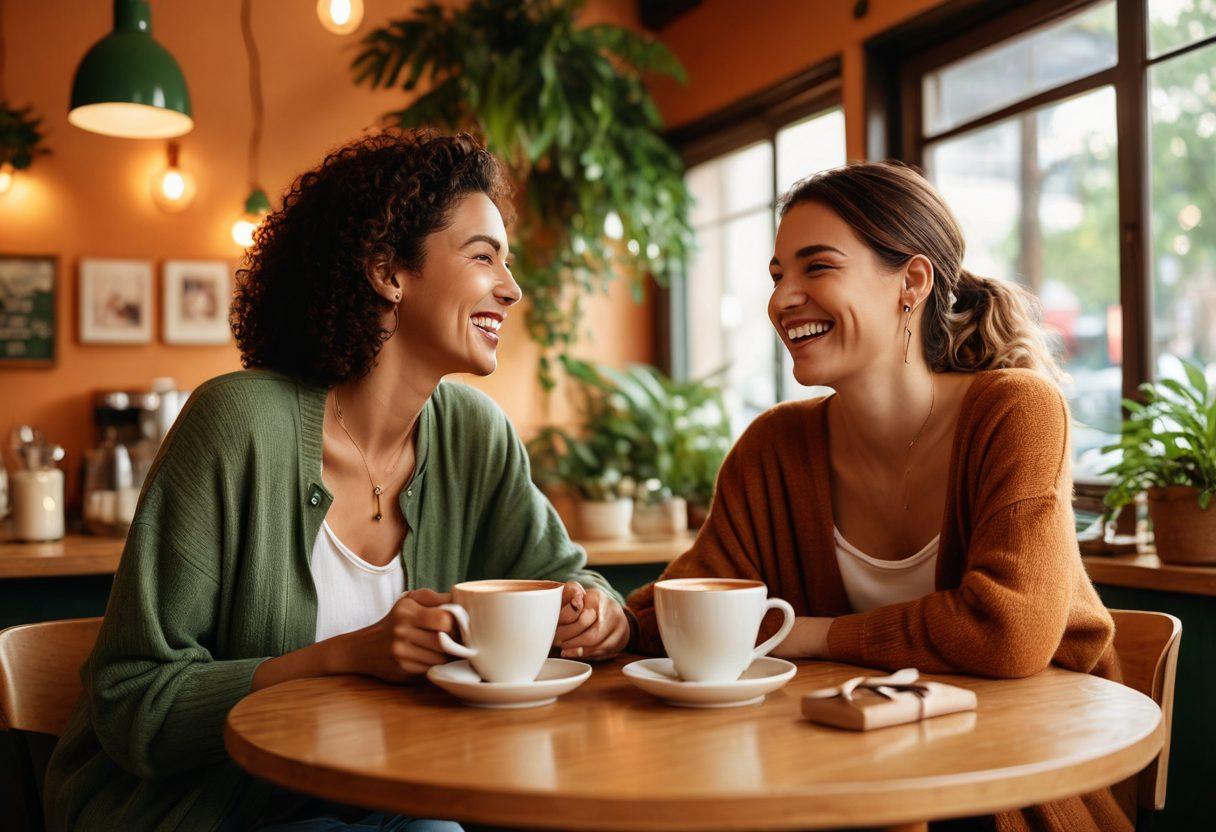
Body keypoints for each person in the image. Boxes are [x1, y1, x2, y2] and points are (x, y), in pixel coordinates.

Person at [44, 131, 630, 832]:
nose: (512, 287)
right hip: (204, 808)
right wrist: (348, 657)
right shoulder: (236, 424)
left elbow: (569, 578)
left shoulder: (477, 434)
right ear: (388, 272)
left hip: (389, 797)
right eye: (483, 257)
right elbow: (135, 702)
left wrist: (594, 614)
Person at [627, 161, 1128, 832]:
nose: (783, 298)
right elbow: (693, 605)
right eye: (778, 276)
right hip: (833, 779)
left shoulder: (1016, 410)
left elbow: (1007, 633)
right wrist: (608, 622)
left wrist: (811, 636)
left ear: (911, 283)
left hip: (1007, 786)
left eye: (818, 268)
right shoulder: (774, 446)